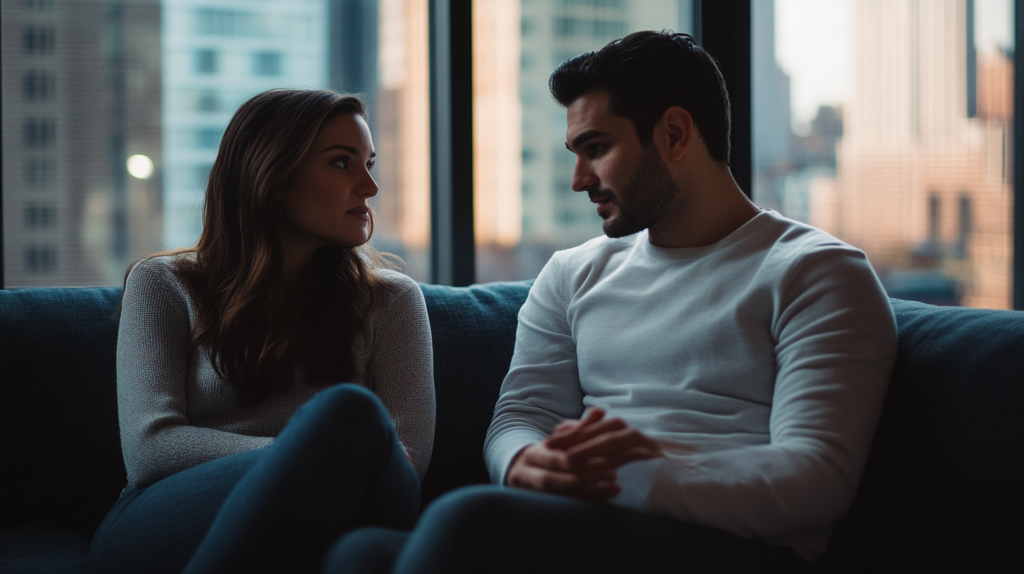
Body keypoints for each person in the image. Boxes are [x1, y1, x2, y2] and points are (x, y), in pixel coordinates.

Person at [343, 31, 897, 573]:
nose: (578, 180)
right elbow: (522, 417)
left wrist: (638, 476)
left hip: (736, 546)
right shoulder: (572, 273)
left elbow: (817, 478)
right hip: (591, 524)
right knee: (362, 552)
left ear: (674, 134)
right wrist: (525, 464)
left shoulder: (817, 273)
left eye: (597, 149)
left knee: (465, 521)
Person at [89, 89, 435, 574]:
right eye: (342, 163)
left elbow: (405, 466)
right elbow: (151, 449)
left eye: (369, 164)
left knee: (362, 541)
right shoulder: (163, 283)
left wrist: (329, 453)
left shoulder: (392, 300)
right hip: (170, 516)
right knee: (348, 417)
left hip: (340, 514)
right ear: (271, 176)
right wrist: (318, 449)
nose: (370, 187)